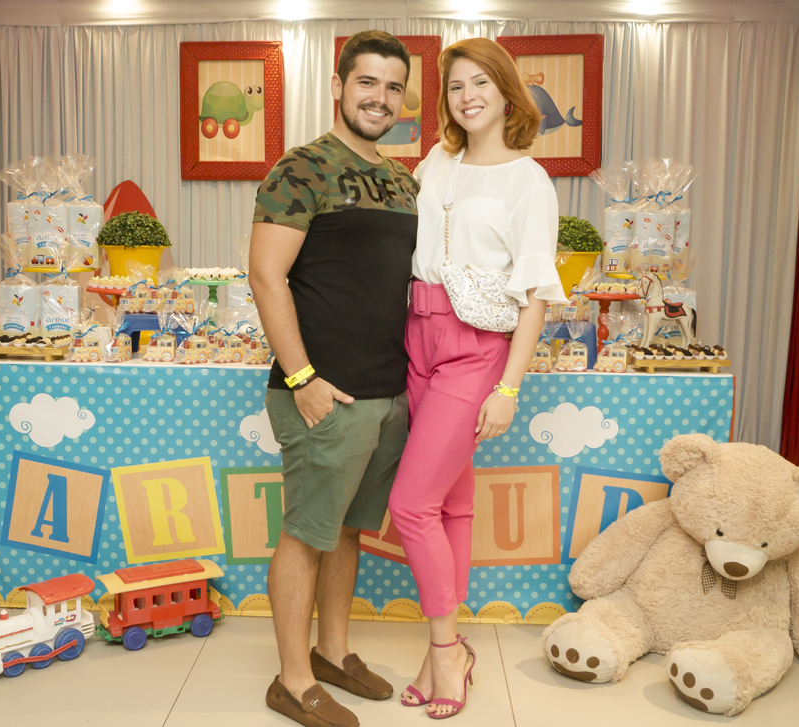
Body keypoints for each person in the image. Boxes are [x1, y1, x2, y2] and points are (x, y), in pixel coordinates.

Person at [387, 38, 568, 720]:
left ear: (506, 93)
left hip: (475, 347)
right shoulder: (436, 161)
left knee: (411, 505)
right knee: (449, 504)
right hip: (417, 336)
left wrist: (509, 389)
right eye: (456, 86)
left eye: (480, 83)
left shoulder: (529, 181)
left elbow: (536, 294)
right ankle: (452, 645)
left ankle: (444, 651)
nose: (467, 96)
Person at [249, 30, 419, 727]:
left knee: (348, 531)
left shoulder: (405, 181)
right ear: (339, 87)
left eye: (393, 86)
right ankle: (292, 680)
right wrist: (303, 379)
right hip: (324, 393)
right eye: (367, 82)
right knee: (305, 534)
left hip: (387, 392)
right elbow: (266, 275)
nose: (380, 97)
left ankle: (332, 652)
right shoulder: (302, 168)